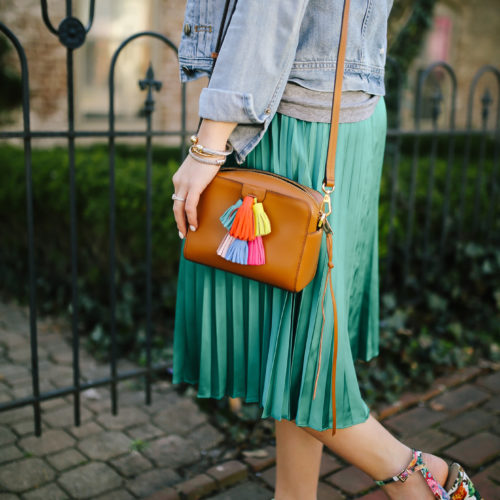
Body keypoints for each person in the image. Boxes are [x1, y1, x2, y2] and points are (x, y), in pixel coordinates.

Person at [170, 1, 482, 499]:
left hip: (297, 129)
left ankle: (418, 478)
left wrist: (209, 143)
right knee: (304, 343)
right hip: (340, 118)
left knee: (300, 353)